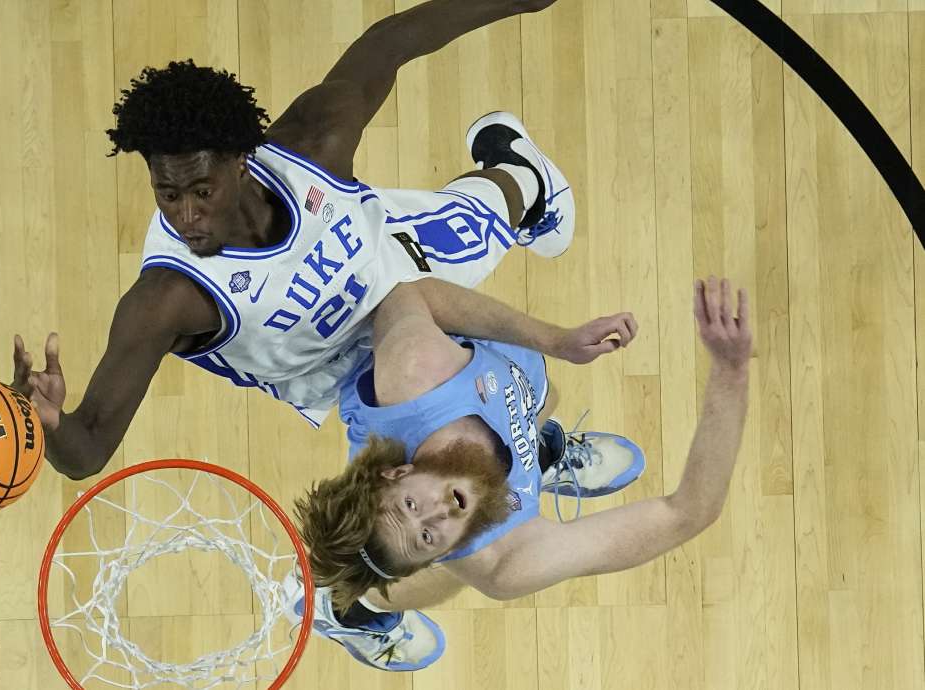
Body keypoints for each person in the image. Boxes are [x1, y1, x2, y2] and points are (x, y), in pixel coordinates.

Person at [9, 0, 587, 481]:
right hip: (341, 371)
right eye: (167, 194)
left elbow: (390, 41)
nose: (186, 215)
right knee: (447, 470)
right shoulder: (166, 298)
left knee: (507, 202)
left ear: (241, 162)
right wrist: (49, 425)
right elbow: (86, 453)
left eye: (201, 192)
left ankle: (523, 171)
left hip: (395, 257)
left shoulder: (315, 141)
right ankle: (537, 452)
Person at [290, 276, 752, 671]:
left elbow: (414, 295)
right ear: (441, 551)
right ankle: (353, 611)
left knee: (543, 401)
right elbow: (688, 513)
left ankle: (538, 456)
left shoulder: (416, 371)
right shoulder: (502, 562)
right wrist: (730, 372)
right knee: (442, 575)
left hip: (478, 377)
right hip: (501, 427)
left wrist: (556, 340)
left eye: (411, 505)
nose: (438, 512)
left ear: (397, 473)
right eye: (429, 538)